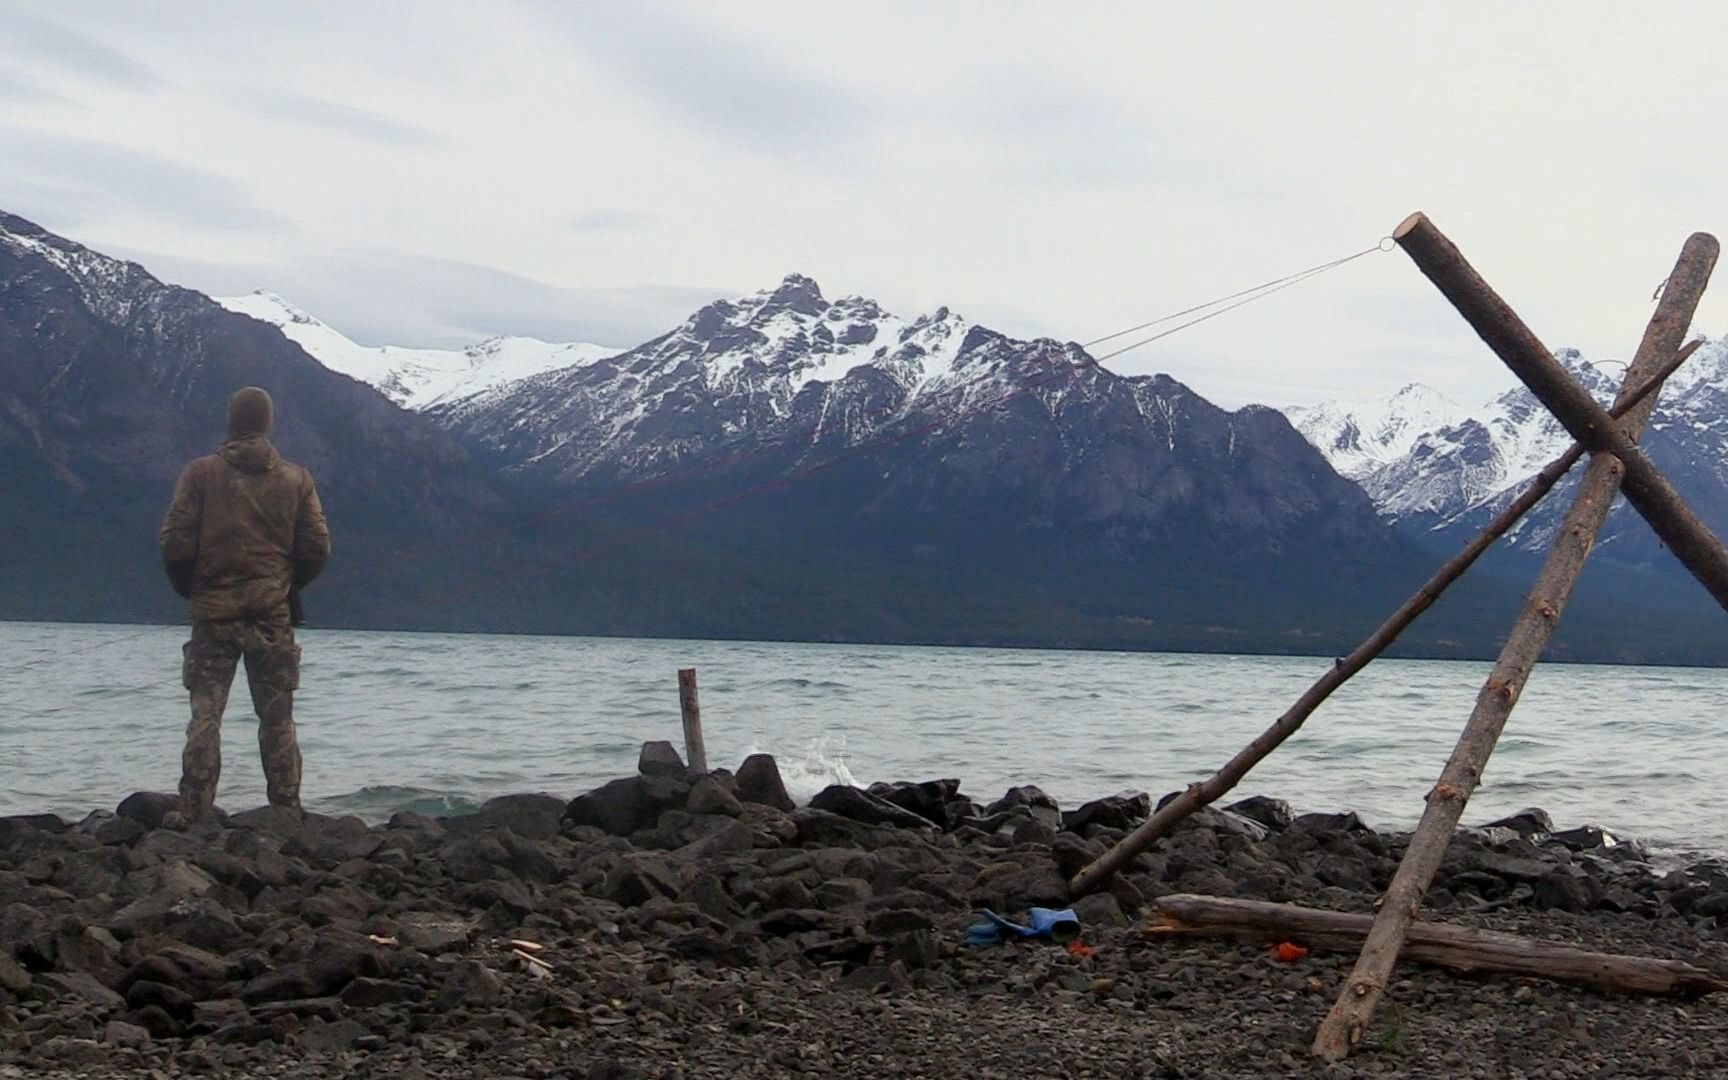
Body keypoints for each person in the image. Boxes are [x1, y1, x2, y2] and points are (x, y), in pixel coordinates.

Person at [158, 387, 331, 824]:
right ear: (268, 421)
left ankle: (195, 810)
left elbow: (175, 543)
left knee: (205, 717)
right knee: (277, 718)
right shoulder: (297, 480)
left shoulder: (200, 475)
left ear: (232, 420)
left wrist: (194, 589)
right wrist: (285, 585)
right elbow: (317, 547)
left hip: (213, 613)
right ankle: (286, 811)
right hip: (272, 614)